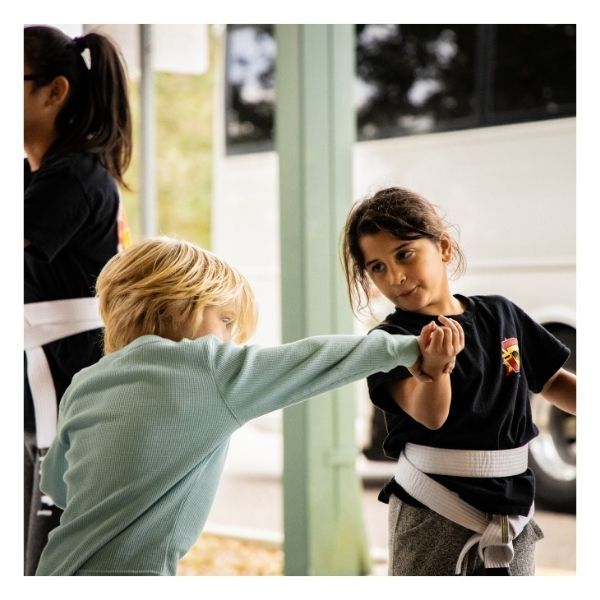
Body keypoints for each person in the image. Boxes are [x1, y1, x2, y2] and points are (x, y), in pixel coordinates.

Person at [34, 237, 462, 576]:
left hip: (55, 570)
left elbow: (58, 484)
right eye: (224, 320)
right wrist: (413, 348)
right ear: (178, 305)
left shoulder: (87, 381)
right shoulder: (207, 367)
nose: (229, 337)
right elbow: (319, 359)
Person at [341, 186, 576, 576]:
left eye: (405, 254)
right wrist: (435, 368)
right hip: (433, 509)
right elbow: (431, 416)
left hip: (512, 508)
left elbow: (553, 381)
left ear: (444, 248)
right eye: (377, 267)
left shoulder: (502, 314)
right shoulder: (390, 342)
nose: (396, 276)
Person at [24, 25, 132, 575]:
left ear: (54, 92)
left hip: (66, 398)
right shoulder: (34, 175)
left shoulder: (74, 178)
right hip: (41, 394)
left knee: (48, 565)